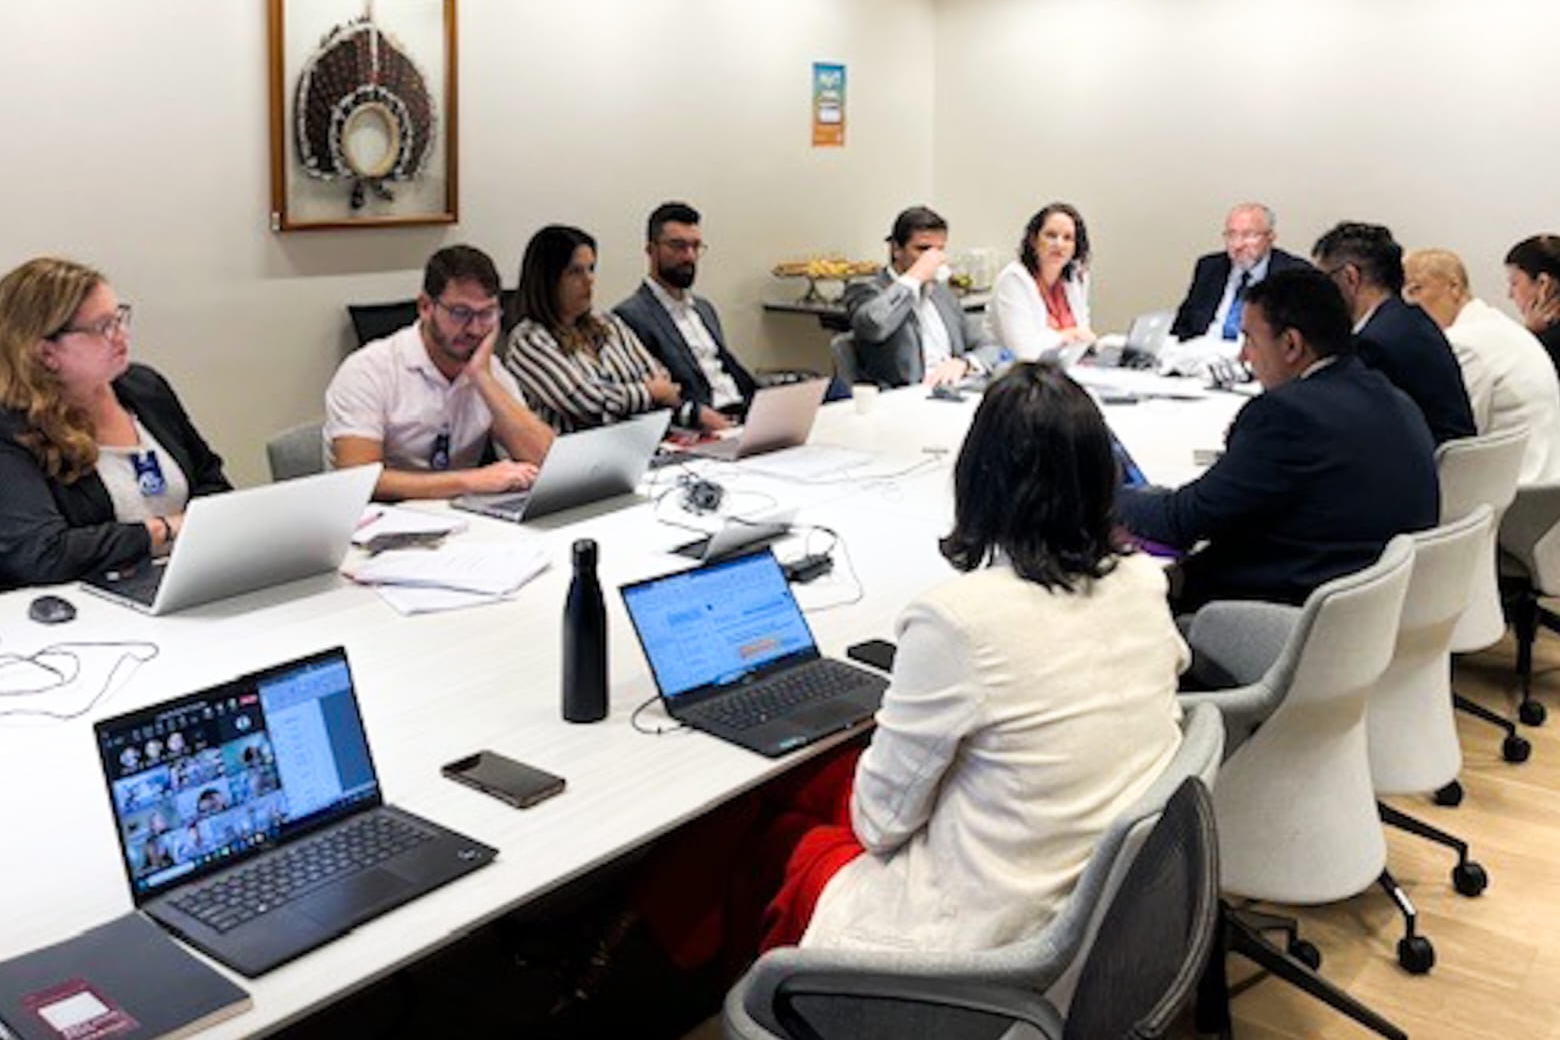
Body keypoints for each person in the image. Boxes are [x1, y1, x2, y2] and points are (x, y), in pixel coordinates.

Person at [761, 363, 1187, 953]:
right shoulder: (1143, 581)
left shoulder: (957, 621)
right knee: (827, 783)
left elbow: (879, 827)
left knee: (786, 828)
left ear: (977, 479)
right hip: (1108, 908)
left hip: (991, 939)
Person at [1117, 268, 1439, 612]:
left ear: (1290, 345)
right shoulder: (1391, 396)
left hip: (1285, 615)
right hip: (1371, 617)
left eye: (1250, 340)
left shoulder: (1287, 415)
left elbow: (1179, 522)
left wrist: (1090, 494)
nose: (1244, 357)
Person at [0, 257, 230, 596]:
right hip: (64, 616)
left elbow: (211, 480)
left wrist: (203, 531)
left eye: (120, 318)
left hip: (180, 587)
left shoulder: (144, 388)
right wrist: (162, 531)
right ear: (46, 353)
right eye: (103, 327)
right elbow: (42, 554)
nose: (121, 335)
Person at [325, 245, 553, 502]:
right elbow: (359, 480)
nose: (475, 329)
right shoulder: (369, 370)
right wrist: (470, 481)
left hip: (460, 521)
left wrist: (483, 378)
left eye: (487, 313)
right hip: (380, 523)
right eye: (461, 313)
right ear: (425, 307)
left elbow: (545, 460)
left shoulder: (489, 370)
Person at [1404, 248, 1560, 486]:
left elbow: (1455, 438)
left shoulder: (1464, 344)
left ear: (1453, 287)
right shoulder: (1497, 325)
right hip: (1544, 489)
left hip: (1514, 494)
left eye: (1416, 289)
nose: (1409, 303)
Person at [1311, 221, 1475, 446]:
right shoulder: (1414, 320)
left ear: (1350, 277)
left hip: (1418, 470)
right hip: (1451, 466)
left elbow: (1353, 430)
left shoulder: (1372, 344)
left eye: (1322, 281)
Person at [505, 225, 682, 432]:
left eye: (591, 268)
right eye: (575, 272)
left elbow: (659, 376)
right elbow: (587, 403)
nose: (589, 280)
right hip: (573, 456)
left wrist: (640, 394)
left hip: (635, 443)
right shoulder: (529, 340)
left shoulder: (609, 323)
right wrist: (648, 393)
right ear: (549, 279)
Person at [614, 201, 757, 432]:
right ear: (651, 250)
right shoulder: (631, 316)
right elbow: (651, 399)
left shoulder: (704, 308)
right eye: (678, 246)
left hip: (744, 414)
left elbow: (729, 370)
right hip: (700, 426)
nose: (689, 256)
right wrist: (697, 416)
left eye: (695, 246)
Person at [843, 206, 1001, 388]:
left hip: (954, 387)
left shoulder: (941, 293)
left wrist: (964, 363)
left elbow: (989, 345)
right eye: (923, 249)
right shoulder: (866, 288)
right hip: (904, 396)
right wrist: (915, 277)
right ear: (896, 249)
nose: (932, 258)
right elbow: (874, 327)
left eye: (939, 250)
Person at [1171, 202, 1310, 341]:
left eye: (1248, 235)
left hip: (1259, 355)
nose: (1238, 245)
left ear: (1270, 238)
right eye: (1231, 235)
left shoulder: (1294, 274)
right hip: (1204, 350)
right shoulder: (1209, 267)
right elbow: (1184, 322)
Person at [986, 201, 1096, 361]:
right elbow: (1024, 351)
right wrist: (1066, 336)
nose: (1059, 244)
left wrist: (1077, 338)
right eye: (1051, 235)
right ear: (1034, 240)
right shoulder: (1013, 279)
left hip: (1065, 367)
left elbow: (1084, 334)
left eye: (1068, 238)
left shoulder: (1076, 277)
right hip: (1020, 375)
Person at [1504, 234, 1560, 373]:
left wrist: (1530, 334)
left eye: (1514, 283)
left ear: (1543, 284)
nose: (1510, 295)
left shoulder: (1544, 348)